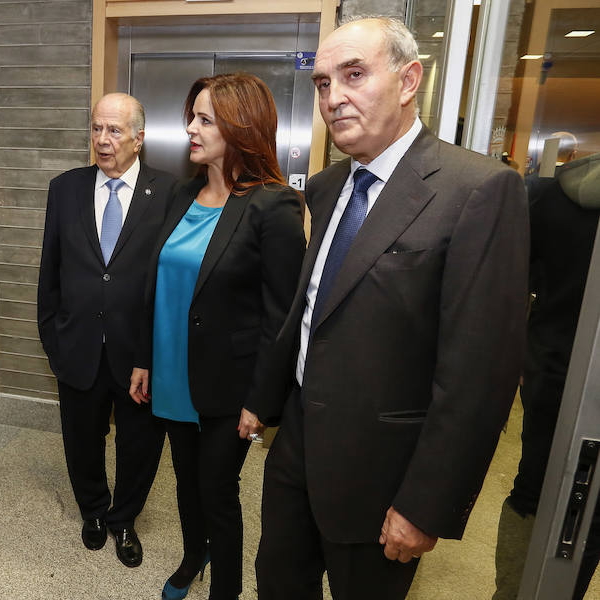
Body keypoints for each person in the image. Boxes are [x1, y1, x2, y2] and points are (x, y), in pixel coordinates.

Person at [252, 16, 529, 600]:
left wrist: (425, 505)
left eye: (354, 75)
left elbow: (479, 374)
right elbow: (312, 312)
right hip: (297, 451)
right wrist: (267, 400)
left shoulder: (476, 189)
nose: (333, 97)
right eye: (324, 83)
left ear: (408, 81)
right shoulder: (328, 188)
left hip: (384, 476)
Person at [130, 73, 306, 600]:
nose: (190, 128)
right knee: (185, 482)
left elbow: (283, 316)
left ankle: (224, 590)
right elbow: (155, 285)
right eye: (192, 117)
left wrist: (260, 401)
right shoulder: (183, 193)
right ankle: (192, 556)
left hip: (229, 386)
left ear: (240, 127)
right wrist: (143, 358)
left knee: (218, 494)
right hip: (170, 372)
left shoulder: (273, 206)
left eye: (205, 119)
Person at [37, 93, 176, 568]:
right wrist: (53, 341)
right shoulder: (65, 189)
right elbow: (49, 273)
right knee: (81, 438)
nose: (102, 139)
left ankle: (124, 519)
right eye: (96, 128)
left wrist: (154, 355)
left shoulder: (171, 193)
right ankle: (93, 511)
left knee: (139, 443)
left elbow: (170, 284)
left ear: (139, 138)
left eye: (114, 131)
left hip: (138, 354)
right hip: (77, 347)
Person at [494, 152, 600, 599]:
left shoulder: (548, 196)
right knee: (556, 499)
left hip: (550, 371)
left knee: (534, 488)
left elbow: (515, 286)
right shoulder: (546, 197)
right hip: (557, 376)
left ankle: (514, 592)